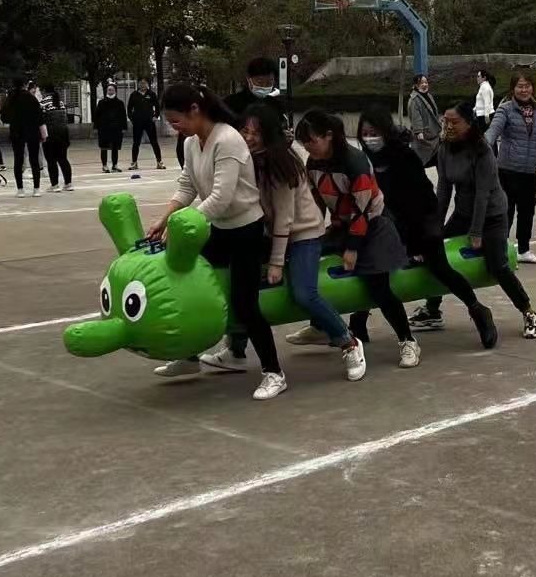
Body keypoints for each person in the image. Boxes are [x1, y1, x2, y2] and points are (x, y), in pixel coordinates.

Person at [195, 102, 367, 381]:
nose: (248, 137)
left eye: (256, 133)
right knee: (241, 283)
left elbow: (285, 218)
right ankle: (236, 350)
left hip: (303, 234)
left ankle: (348, 341)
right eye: (245, 131)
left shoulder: (281, 164)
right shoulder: (245, 158)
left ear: (269, 134)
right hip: (269, 231)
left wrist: (276, 262)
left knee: (304, 293)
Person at [148, 85, 287, 399]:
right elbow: (187, 186)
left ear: (195, 110)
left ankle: (274, 372)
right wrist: (165, 218)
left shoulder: (227, 139)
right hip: (218, 228)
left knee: (245, 303)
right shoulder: (190, 143)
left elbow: (221, 198)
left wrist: (184, 223)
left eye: (176, 120)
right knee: (185, 285)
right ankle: (189, 358)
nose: (175, 127)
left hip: (246, 229)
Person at [353, 106, 498, 347]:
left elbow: (419, 200)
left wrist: (414, 243)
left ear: (386, 132)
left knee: (439, 268)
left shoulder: (403, 156)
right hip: (389, 222)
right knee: (375, 269)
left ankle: (478, 310)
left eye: (374, 133)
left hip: (422, 220)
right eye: (365, 133)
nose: (369, 138)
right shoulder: (366, 159)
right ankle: (358, 322)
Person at [293, 110, 421, 368]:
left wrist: (352, 248)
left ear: (329, 136)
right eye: (303, 142)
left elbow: (361, 210)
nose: (307, 147)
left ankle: (408, 340)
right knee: (309, 261)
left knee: (378, 288)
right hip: (342, 226)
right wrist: (311, 232)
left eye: (311, 141)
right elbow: (316, 202)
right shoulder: (314, 163)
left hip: (373, 226)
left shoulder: (356, 162)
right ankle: (321, 326)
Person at [436, 101, 536, 339]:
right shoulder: (444, 148)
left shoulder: (482, 149)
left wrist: (476, 232)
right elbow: (443, 189)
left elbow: (483, 193)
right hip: (463, 213)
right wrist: (435, 226)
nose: (449, 126)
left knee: (497, 266)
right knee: (436, 253)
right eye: (446, 121)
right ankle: (432, 310)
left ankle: (528, 311)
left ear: (468, 122)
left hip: (492, 215)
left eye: (455, 122)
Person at [485, 72, 536, 265]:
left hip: (529, 171)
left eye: (527, 86)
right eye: (520, 86)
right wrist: (483, 145)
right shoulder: (505, 109)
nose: (524, 90)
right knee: (505, 211)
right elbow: (493, 132)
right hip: (507, 170)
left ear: (533, 88)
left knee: (527, 211)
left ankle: (524, 250)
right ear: (513, 89)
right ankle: (501, 249)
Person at [1, 77, 43, 198]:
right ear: (25, 85)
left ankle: (20, 190)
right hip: (32, 130)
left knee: (18, 160)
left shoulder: (11, 98)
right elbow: (40, 116)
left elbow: (4, 117)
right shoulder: (31, 98)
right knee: (34, 160)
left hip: (16, 131)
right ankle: (36, 189)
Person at [41, 87, 74, 192]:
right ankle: (68, 184)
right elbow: (65, 120)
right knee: (63, 159)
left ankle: (54, 185)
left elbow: (41, 120)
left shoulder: (43, 103)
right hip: (63, 134)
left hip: (50, 135)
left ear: (44, 91)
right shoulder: (61, 103)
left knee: (51, 160)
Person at [127, 78, 165, 171]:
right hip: (138, 122)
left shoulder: (151, 94)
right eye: (141, 83)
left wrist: (155, 116)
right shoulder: (134, 94)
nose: (142, 85)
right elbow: (129, 108)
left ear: (147, 84)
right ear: (138, 84)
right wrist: (132, 119)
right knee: (136, 143)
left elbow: (157, 106)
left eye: (144, 83)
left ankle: (159, 162)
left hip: (149, 122)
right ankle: (134, 163)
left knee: (154, 142)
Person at [407, 74, 441, 167]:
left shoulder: (429, 95)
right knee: (420, 158)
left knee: (439, 158)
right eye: (421, 83)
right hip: (424, 135)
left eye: (426, 82)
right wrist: (419, 131)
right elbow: (416, 117)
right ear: (416, 85)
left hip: (434, 133)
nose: (425, 85)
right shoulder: (414, 100)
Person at [94, 83, 128, 173]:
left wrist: (124, 127)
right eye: (109, 89)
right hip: (104, 128)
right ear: (106, 91)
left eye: (112, 89)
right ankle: (104, 166)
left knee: (115, 148)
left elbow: (123, 116)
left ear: (115, 91)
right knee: (104, 148)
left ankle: (115, 165)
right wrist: (96, 127)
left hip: (116, 128)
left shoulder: (120, 103)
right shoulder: (101, 102)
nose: (110, 91)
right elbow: (97, 116)